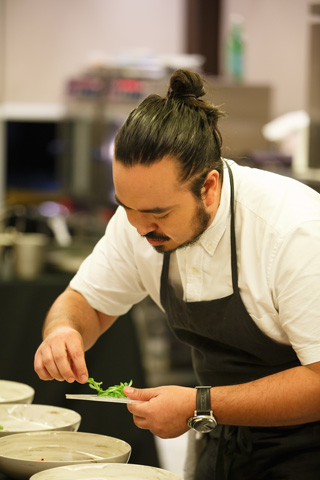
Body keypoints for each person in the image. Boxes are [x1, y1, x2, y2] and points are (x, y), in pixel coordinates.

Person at [34, 69, 320, 479]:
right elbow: (86, 304)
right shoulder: (137, 218)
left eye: (157, 214)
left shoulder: (292, 230)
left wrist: (199, 404)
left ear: (209, 188)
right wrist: (64, 331)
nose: (137, 226)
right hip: (221, 445)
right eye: (126, 206)